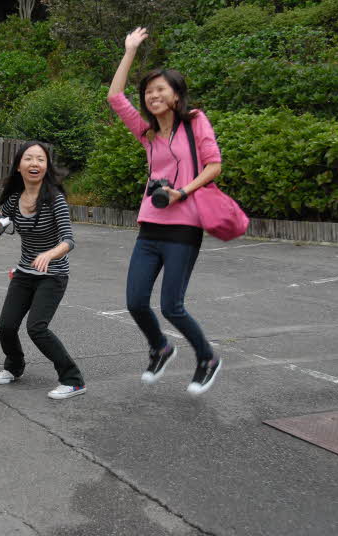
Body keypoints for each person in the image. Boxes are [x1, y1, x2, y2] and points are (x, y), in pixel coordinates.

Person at [107, 27, 222, 395]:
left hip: (184, 227)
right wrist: (129, 50)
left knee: (172, 306)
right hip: (150, 227)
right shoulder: (148, 134)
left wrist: (181, 192)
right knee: (135, 301)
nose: (153, 95)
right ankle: (160, 347)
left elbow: (214, 165)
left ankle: (207, 358)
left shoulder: (195, 121)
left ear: (176, 95)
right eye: (148, 91)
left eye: (160, 89)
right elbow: (115, 97)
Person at [0, 142, 86, 400]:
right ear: (19, 167)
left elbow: (69, 240)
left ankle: (73, 380)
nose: (34, 163)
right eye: (28, 158)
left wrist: (49, 254)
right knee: (6, 326)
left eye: (40, 159)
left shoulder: (55, 200)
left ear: (46, 167)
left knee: (37, 328)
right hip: (24, 273)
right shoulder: (13, 200)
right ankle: (14, 366)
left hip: (53, 274)